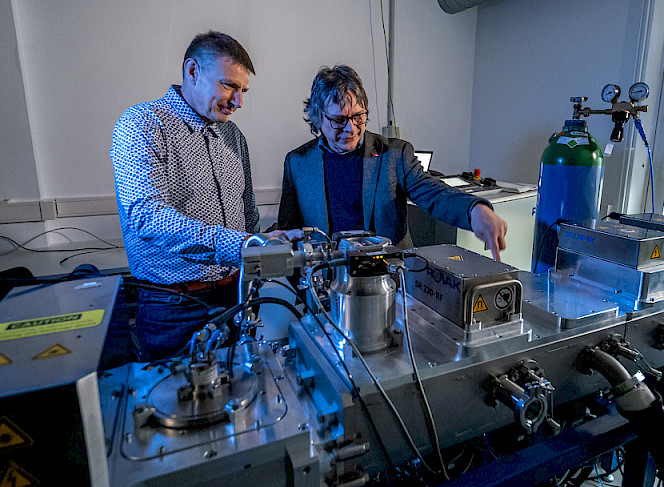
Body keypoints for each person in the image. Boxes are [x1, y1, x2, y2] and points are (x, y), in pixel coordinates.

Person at [111, 31, 295, 361]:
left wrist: (262, 240)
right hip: (175, 309)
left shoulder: (232, 135)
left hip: (237, 296)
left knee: (241, 397)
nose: (238, 102)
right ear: (193, 71)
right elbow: (148, 216)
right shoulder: (142, 124)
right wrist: (240, 247)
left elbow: (247, 212)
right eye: (229, 86)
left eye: (243, 91)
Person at [277, 65, 508, 259]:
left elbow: (435, 194)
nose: (351, 128)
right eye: (339, 120)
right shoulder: (298, 163)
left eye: (359, 116)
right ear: (318, 117)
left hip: (390, 280)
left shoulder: (395, 154)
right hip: (328, 285)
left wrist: (475, 210)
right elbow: (288, 232)